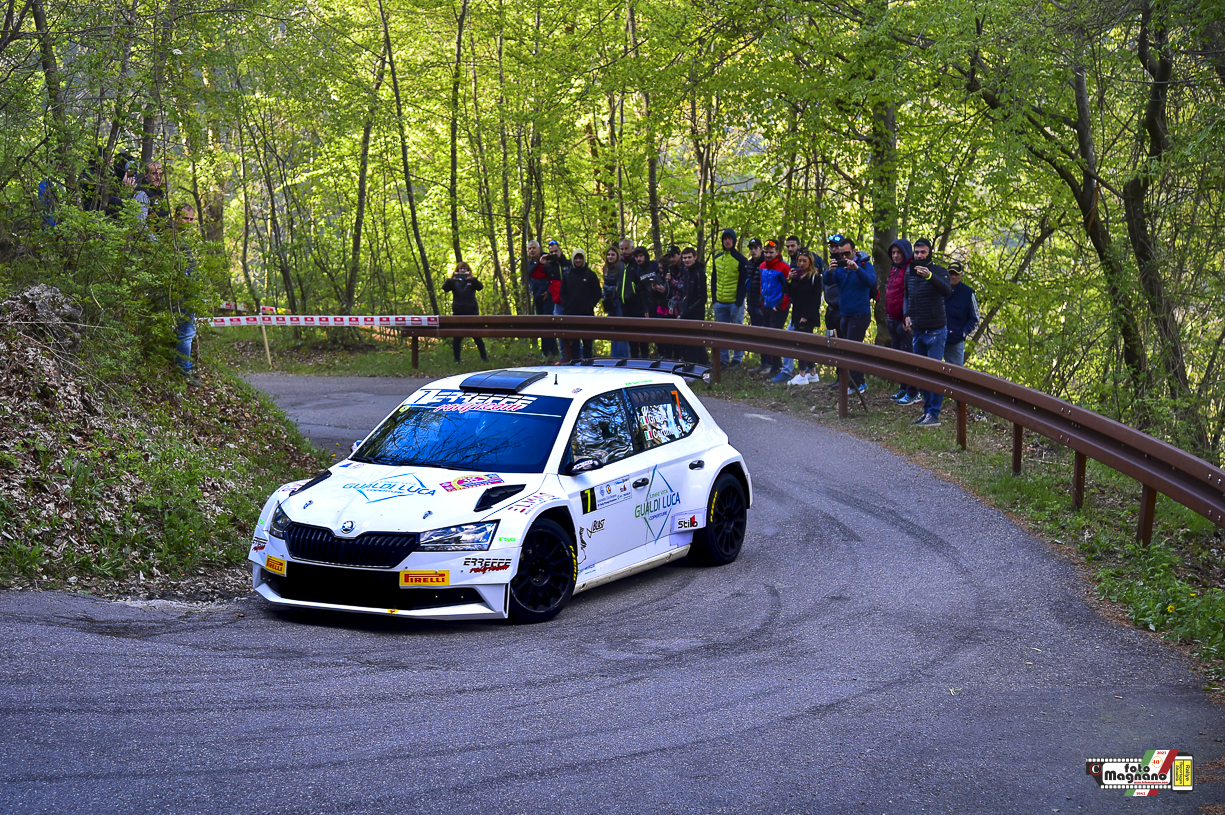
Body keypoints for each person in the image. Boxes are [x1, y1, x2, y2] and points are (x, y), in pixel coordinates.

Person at [904, 238, 953, 427]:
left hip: (936, 330)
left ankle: (934, 413)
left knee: (934, 373)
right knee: (921, 374)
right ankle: (926, 413)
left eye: (923, 252)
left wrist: (930, 276)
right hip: (918, 329)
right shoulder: (910, 272)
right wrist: (907, 314)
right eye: (917, 252)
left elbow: (947, 290)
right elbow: (907, 295)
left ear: (929, 253)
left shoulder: (939, 271)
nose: (919, 256)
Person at [822, 235, 876, 393]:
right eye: (841, 255)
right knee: (845, 349)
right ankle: (851, 380)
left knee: (853, 349)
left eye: (846, 254)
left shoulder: (865, 265)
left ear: (854, 251)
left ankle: (857, 383)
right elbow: (827, 281)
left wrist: (857, 269)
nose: (844, 257)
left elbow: (871, 282)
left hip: (860, 314)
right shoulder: (840, 268)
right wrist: (830, 271)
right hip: (845, 315)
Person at [884, 239, 920, 404]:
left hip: (905, 321)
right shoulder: (894, 268)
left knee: (907, 357)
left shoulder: (910, 269)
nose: (896, 255)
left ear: (906, 253)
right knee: (898, 357)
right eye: (893, 253)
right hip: (893, 319)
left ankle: (913, 392)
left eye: (899, 252)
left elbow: (910, 295)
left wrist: (908, 315)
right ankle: (903, 388)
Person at [710, 228, 750, 368]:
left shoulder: (740, 259)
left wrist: (739, 301)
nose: (727, 241)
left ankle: (737, 359)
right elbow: (714, 279)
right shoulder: (717, 258)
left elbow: (744, 282)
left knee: (737, 332)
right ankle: (723, 360)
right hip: (720, 303)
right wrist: (714, 299)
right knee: (722, 333)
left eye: (730, 238)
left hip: (735, 303)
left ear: (734, 241)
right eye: (725, 238)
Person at [171, 205, 200, 386]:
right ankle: (184, 371)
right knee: (186, 331)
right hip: (179, 291)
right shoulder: (171, 237)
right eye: (185, 218)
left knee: (188, 331)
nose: (188, 223)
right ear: (176, 217)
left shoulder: (184, 240)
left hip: (187, 291)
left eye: (191, 219)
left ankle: (185, 368)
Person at [784, 249, 822, 385]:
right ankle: (812, 372)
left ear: (810, 261)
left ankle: (802, 373)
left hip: (808, 315)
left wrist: (806, 315)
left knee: (801, 344)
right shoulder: (797, 276)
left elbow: (815, 298)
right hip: (797, 312)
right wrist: (789, 280)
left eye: (804, 261)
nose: (801, 264)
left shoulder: (815, 277)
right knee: (804, 344)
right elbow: (791, 294)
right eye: (799, 261)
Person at [758, 240, 792, 381]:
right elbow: (761, 285)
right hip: (766, 305)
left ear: (777, 253)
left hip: (779, 307)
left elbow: (788, 289)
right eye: (766, 252)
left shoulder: (784, 268)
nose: (768, 255)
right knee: (767, 336)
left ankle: (777, 366)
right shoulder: (762, 266)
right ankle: (770, 364)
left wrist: (780, 306)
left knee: (775, 337)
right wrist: (761, 303)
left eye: (771, 252)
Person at [443, 261, 489, 364]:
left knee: (477, 335)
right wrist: (451, 279)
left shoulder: (472, 281)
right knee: (457, 338)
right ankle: (457, 360)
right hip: (458, 312)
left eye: (465, 269)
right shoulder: (454, 282)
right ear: (457, 271)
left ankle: (484, 357)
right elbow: (445, 288)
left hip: (472, 312)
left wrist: (472, 279)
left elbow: (480, 287)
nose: (463, 271)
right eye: (461, 269)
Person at [560, 249, 601, 359]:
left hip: (586, 314)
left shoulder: (590, 275)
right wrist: (566, 305)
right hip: (571, 314)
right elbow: (562, 292)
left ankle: (588, 363)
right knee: (574, 343)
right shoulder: (567, 275)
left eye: (580, 258)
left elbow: (597, 293)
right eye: (576, 258)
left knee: (587, 342)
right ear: (573, 259)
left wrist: (590, 305)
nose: (578, 260)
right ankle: (575, 364)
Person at [525, 240, 559, 358]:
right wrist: (531, 290)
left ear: (539, 249)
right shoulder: (530, 264)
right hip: (537, 296)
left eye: (534, 248)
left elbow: (555, 277)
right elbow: (530, 277)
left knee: (549, 323)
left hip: (549, 296)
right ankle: (545, 351)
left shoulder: (547, 259)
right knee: (541, 324)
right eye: (530, 249)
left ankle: (553, 351)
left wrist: (549, 292)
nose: (532, 250)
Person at [601, 246, 635, 358]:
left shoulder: (621, 267)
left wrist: (615, 293)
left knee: (621, 330)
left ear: (617, 256)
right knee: (612, 330)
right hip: (609, 302)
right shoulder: (605, 268)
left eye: (613, 255)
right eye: (609, 255)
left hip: (619, 301)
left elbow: (620, 284)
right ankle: (614, 356)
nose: (610, 257)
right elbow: (605, 285)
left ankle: (623, 357)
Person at [943, 261, 980, 366]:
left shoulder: (968, 293)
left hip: (955, 341)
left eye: (956, 274)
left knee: (955, 375)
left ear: (961, 275)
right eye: (951, 273)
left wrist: (963, 332)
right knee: (930, 371)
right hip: (936, 338)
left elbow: (975, 318)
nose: (953, 276)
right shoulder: (939, 288)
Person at [678, 246, 709, 364]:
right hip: (686, 313)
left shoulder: (699, 273)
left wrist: (688, 312)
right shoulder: (687, 272)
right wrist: (682, 312)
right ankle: (696, 366)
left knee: (696, 342)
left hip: (696, 314)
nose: (687, 260)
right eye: (685, 258)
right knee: (688, 342)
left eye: (689, 257)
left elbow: (702, 298)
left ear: (695, 257)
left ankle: (701, 366)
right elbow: (685, 295)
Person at [624, 246, 654, 357]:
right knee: (637, 337)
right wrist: (645, 309)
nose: (638, 259)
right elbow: (640, 291)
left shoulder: (654, 266)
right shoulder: (637, 271)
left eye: (641, 256)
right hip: (643, 307)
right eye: (636, 256)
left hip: (659, 306)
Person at [745, 238, 769, 372]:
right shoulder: (749, 264)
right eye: (751, 248)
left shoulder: (765, 264)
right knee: (757, 336)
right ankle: (762, 363)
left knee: (765, 335)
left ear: (761, 249)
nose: (753, 251)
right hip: (752, 304)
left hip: (762, 305)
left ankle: (769, 363)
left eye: (755, 248)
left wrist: (762, 304)